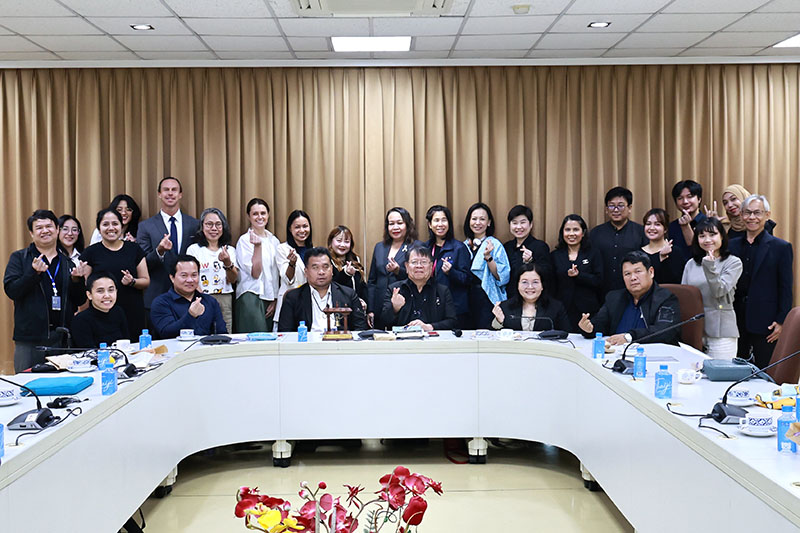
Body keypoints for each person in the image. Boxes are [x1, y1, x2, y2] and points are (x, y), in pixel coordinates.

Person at [4, 210, 87, 372]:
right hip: (29, 339)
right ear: (31, 233)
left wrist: (77, 281)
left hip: (62, 339)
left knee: (60, 387)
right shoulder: (20, 258)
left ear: (57, 230)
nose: (45, 230)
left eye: (49, 226)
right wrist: (33, 274)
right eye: (39, 227)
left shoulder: (67, 263)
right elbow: (12, 291)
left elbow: (79, 301)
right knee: (28, 387)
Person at [729, 195, 793, 368]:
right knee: (735, 370)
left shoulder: (781, 247)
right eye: (747, 213)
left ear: (767, 215)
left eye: (757, 213)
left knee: (766, 371)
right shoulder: (730, 245)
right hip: (735, 319)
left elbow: (786, 287)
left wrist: (781, 321)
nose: (752, 217)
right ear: (741, 215)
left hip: (767, 322)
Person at [578, 250, 681, 345]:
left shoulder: (666, 298)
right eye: (627, 274)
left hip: (651, 356)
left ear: (651, 272)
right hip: (616, 354)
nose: (633, 278)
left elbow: (665, 331)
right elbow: (600, 325)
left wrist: (629, 337)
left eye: (638, 272)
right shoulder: (614, 298)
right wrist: (589, 329)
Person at [80, 209, 151, 338]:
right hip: (102, 313)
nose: (111, 228)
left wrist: (132, 281)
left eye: (115, 223)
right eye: (105, 224)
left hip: (132, 309)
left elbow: (146, 280)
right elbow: (86, 285)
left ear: (122, 226)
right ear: (99, 228)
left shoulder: (134, 249)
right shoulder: (90, 252)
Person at [137, 178, 199, 320]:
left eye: (174, 190)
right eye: (166, 190)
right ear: (159, 194)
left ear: (180, 194)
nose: (170, 193)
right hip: (157, 295)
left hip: (189, 297)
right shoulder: (146, 226)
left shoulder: (194, 224)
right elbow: (143, 264)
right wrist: (159, 251)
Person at [681, 218, 742, 360]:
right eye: (702, 236)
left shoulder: (733, 262)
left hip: (721, 332)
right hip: (695, 330)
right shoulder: (691, 263)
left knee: (719, 378)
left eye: (712, 234)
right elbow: (684, 295)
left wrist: (710, 266)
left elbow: (719, 290)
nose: (707, 240)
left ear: (722, 236)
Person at [277, 247, 367, 332]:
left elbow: (360, 329)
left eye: (325, 267)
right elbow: (285, 332)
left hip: (340, 345)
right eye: (315, 267)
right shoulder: (293, 297)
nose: (321, 272)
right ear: (306, 272)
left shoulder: (348, 294)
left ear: (331, 270)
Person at [367, 207, 422, 329]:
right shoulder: (379, 247)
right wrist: (371, 309)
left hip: (405, 306)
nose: (395, 227)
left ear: (407, 224)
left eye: (399, 223)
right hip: (380, 306)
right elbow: (372, 281)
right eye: (391, 224)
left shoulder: (416, 247)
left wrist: (399, 271)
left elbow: (421, 277)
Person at [381, 244, 457, 331]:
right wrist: (394, 309)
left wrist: (430, 327)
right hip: (401, 342)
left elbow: (452, 321)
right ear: (406, 266)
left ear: (431, 266)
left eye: (424, 262)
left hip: (432, 342)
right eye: (414, 262)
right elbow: (384, 322)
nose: (419, 266)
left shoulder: (442, 291)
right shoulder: (395, 289)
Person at [186, 208, 238, 334]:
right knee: (202, 332)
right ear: (202, 227)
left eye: (218, 224)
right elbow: (190, 277)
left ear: (223, 227)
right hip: (201, 298)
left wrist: (227, 262)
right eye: (209, 224)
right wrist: (203, 297)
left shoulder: (230, 250)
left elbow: (233, 279)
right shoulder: (194, 249)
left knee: (224, 333)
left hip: (224, 298)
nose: (214, 228)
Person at [150, 255, 227, 339]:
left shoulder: (210, 301)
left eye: (194, 275)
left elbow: (221, 332)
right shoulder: (161, 302)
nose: (190, 280)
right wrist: (190, 316)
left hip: (206, 350)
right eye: (184, 275)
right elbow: (166, 333)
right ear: (172, 278)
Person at [589, 186, 647, 296]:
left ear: (629, 208)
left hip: (632, 292)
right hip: (600, 292)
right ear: (606, 209)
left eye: (620, 206)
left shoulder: (641, 232)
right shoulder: (595, 233)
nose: (616, 210)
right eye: (611, 206)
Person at [234, 198, 280, 332]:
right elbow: (255, 273)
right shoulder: (244, 240)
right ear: (248, 216)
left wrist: (275, 298)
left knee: (270, 342)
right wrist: (257, 247)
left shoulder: (274, 240)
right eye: (255, 214)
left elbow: (275, 274)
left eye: (263, 213)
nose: (260, 217)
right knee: (255, 342)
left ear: (268, 215)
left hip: (270, 297)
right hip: (251, 295)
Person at [550, 215, 603, 333]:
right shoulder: (555, 255)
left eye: (576, 229)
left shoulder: (593, 253)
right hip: (563, 310)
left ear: (583, 233)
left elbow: (599, 280)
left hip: (588, 310)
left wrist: (579, 275)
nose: (571, 234)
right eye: (567, 230)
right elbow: (551, 285)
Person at [463, 202, 510, 330]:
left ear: (489, 222)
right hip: (465, 297)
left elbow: (502, 276)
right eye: (474, 219)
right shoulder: (463, 245)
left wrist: (488, 257)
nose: (477, 222)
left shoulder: (495, 244)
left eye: (482, 219)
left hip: (485, 297)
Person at [424, 205, 471, 329]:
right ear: (430, 224)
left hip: (455, 308)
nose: (440, 224)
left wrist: (451, 272)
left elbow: (467, 279)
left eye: (444, 220)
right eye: (436, 220)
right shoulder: (425, 248)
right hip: (431, 306)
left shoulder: (459, 248)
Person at [491, 262, 569, 332]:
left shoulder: (556, 307)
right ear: (518, 285)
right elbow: (490, 337)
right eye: (524, 282)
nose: (530, 287)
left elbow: (567, 335)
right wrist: (499, 321)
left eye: (535, 282)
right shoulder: (504, 307)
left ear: (542, 285)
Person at [503, 205, 552, 301]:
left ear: (531, 224)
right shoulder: (506, 247)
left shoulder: (540, 246)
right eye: (514, 223)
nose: (518, 227)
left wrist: (531, 261)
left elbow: (548, 275)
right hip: (510, 300)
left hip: (533, 300)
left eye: (523, 222)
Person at [71, 272, 129, 348]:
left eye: (111, 290)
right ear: (89, 295)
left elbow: (126, 342)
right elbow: (87, 351)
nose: (107, 295)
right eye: (100, 291)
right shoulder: (81, 320)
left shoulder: (118, 311)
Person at [275, 210, 312, 326]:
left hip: (308, 304)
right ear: (290, 229)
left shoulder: (313, 251)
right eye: (297, 227)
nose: (302, 230)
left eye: (305, 226)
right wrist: (292, 264)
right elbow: (287, 279)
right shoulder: (282, 249)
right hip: (289, 302)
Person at [641, 208, 687, 285]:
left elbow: (676, 281)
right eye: (648, 224)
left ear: (665, 229)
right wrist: (660, 258)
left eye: (657, 224)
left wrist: (664, 260)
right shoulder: (639, 253)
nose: (652, 228)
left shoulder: (675, 252)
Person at [327, 225, 368, 310]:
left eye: (346, 241)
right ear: (331, 242)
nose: (342, 245)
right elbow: (333, 285)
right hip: (338, 308)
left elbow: (362, 286)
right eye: (339, 241)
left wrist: (365, 302)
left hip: (357, 308)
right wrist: (346, 274)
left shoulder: (355, 259)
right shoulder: (327, 260)